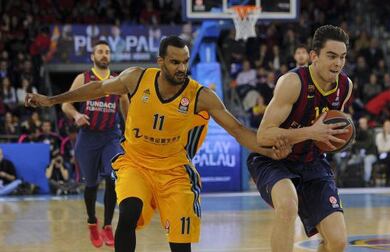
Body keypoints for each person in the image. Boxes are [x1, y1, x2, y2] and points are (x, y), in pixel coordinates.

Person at [25, 36, 291, 252]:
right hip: (135, 163)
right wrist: (52, 100)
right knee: (128, 211)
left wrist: (269, 149)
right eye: (175, 62)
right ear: (160, 61)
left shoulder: (200, 95)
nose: (181, 68)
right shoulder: (136, 78)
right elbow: (96, 89)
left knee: (179, 242)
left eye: (185, 62)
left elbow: (238, 130)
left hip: (174, 171)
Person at [247, 25, 353, 252]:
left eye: (342, 57)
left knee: (337, 242)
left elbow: (331, 127)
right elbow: (263, 135)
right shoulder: (293, 82)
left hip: (312, 161)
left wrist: (336, 137)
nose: (338, 63)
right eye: (332, 56)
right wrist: (310, 132)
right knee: (287, 206)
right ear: (314, 56)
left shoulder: (345, 86)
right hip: (274, 159)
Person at [60, 40, 129, 248]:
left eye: (107, 52)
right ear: (93, 56)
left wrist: (132, 130)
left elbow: (126, 105)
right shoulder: (83, 78)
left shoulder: (118, 81)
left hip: (111, 136)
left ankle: (108, 226)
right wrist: (76, 114)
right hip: (88, 137)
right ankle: (92, 221)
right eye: (100, 51)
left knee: (112, 176)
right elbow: (66, 104)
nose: (104, 55)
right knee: (90, 185)